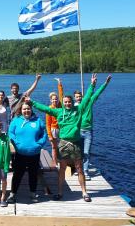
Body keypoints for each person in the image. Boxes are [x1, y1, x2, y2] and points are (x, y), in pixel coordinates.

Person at [29, 74, 97, 202]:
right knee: (62, 169)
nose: (67, 103)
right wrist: (32, 102)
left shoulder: (78, 110)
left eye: (69, 102)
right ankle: (60, 193)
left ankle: (84, 192)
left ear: (72, 102)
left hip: (76, 143)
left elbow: (87, 98)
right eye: (65, 102)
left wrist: (92, 85)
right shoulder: (58, 112)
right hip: (64, 143)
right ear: (63, 103)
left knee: (79, 168)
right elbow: (44, 108)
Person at [6, 100, 47, 203]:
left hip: (34, 153)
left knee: (33, 174)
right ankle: (13, 194)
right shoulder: (16, 120)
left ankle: (33, 193)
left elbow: (44, 133)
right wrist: (16, 144)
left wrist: (40, 144)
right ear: (21, 110)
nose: (26, 111)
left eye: (28, 109)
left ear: (31, 109)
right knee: (17, 175)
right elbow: (11, 133)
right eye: (24, 109)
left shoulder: (37, 120)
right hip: (20, 154)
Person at [74, 75, 112, 180]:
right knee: (78, 153)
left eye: (80, 96)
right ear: (75, 98)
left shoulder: (89, 102)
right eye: (77, 97)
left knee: (86, 152)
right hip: (77, 132)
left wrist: (105, 83)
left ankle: (85, 171)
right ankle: (79, 169)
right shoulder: (74, 107)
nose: (79, 98)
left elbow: (98, 92)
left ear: (83, 96)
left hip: (88, 132)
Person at [46, 78, 64, 165]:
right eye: (53, 99)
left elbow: (61, 95)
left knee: (61, 146)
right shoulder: (49, 109)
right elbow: (48, 124)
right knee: (54, 147)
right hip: (53, 130)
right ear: (50, 100)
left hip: (61, 129)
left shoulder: (60, 106)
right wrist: (49, 135)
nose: (55, 100)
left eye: (56, 99)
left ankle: (60, 160)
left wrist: (59, 84)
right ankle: (55, 162)